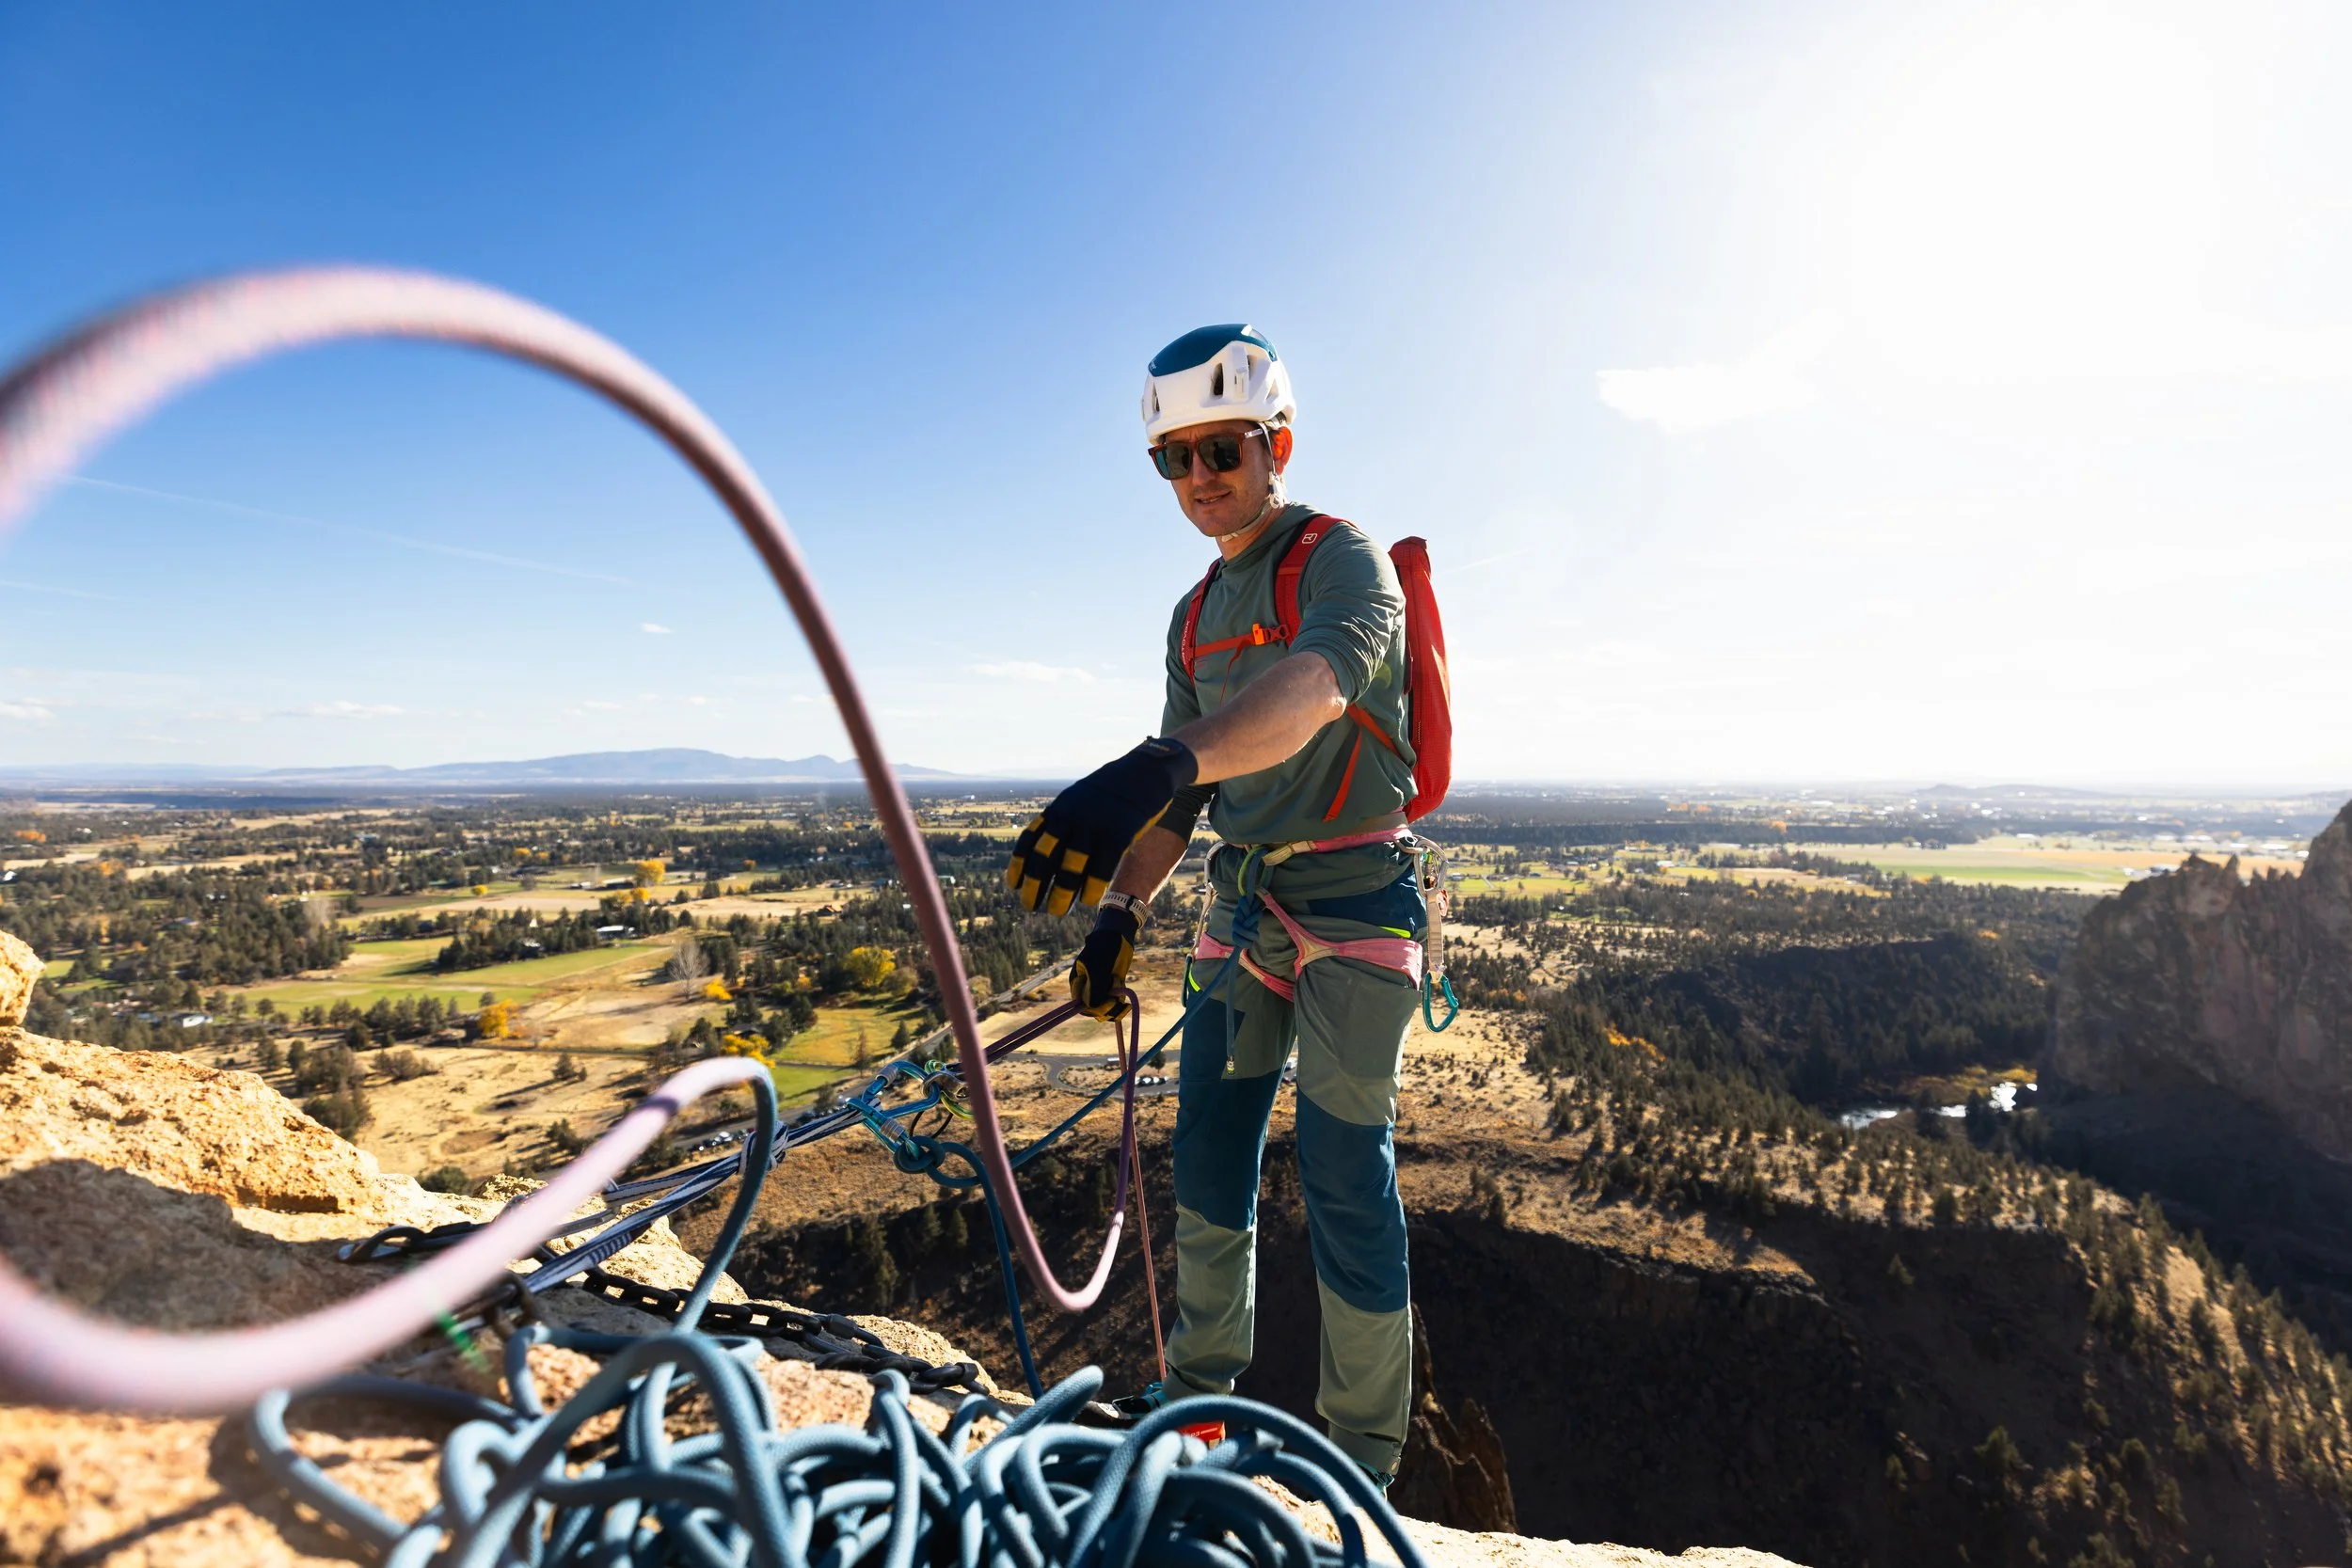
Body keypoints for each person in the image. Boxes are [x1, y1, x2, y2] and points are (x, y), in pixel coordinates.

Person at [1004, 324, 1422, 1486]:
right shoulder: (1192, 614)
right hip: (1242, 911)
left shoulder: (1340, 561)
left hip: (1352, 904)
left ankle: (1362, 1460)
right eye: (1174, 458)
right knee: (1210, 1156)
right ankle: (1195, 1410)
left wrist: (1161, 761)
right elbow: (1185, 808)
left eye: (1221, 448)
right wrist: (1119, 910)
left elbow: (1309, 693)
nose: (1200, 477)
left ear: (1274, 441)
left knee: (1344, 1171)